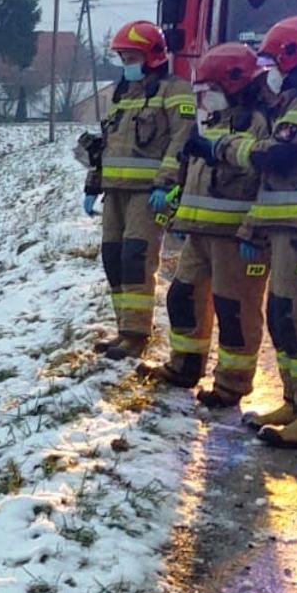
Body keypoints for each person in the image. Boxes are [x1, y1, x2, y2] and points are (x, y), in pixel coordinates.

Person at [187, 14, 297, 449]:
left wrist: (219, 147)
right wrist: (256, 226)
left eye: (274, 61)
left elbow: (276, 156)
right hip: (291, 227)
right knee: (285, 315)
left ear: (294, 57)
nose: (272, 72)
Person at [148, 43, 271, 408]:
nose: (207, 98)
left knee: (235, 311)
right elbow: (198, 177)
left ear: (235, 84)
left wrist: (255, 229)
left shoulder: (261, 126)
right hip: (201, 234)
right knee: (183, 297)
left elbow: (269, 181)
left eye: (211, 90)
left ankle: (232, 384)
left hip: (236, 238)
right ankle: (185, 365)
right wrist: (181, 215)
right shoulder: (215, 123)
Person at [84, 21, 198, 359]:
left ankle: (136, 333)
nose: (126, 63)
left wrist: (166, 183)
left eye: (131, 56)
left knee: (136, 258)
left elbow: (182, 139)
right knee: (113, 259)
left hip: (148, 193)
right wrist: (93, 183)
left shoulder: (175, 90)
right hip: (115, 191)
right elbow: (107, 143)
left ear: (152, 56)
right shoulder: (123, 94)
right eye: (123, 57)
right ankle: (124, 328)